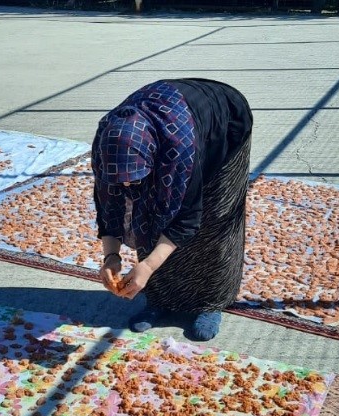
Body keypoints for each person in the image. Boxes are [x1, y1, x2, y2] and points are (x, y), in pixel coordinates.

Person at [92, 78, 253, 341]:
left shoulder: (180, 148)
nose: (128, 185)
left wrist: (149, 264)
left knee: (212, 218)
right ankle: (160, 300)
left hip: (224, 125)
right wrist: (111, 257)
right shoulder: (106, 146)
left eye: (135, 177)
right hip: (169, 126)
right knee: (147, 216)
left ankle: (209, 303)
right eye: (122, 180)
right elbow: (109, 205)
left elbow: (187, 219)